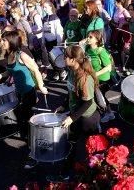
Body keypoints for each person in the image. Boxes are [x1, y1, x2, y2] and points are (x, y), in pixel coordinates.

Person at [0, 31, 48, 169]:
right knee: (23, 122)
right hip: (20, 92)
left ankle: (35, 153)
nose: (2, 42)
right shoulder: (9, 55)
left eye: (4, 40)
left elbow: (35, 69)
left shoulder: (21, 55)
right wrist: (1, 75)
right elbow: (11, 71)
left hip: (29, 91)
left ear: (11, 41)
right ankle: (32, 145)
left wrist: (41, 86)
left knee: (27, 122)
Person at [56, 45, 100, 176]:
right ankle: (66, 172)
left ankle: (94, 175)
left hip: (87, 118)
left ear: (74, 59)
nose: (63, 59)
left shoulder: (84, 78)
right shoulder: (71, 70)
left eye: (66, 57)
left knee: (90, 149)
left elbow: (88, 102)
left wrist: (71, 118)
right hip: (76, 114)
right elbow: (70, 91)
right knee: (73, 144)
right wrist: (64, 105)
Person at [84, 30, 115, 123]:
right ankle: (107, 112)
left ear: (97, 40)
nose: (88, 38)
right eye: (88, 36)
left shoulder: (101, 51)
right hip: (93, 78)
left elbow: (108, 67)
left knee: (100, 98)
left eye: (90, 37)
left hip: (102, 79)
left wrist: (95, 74)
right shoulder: (88, 49)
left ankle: (109, 113)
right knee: (96, 97)